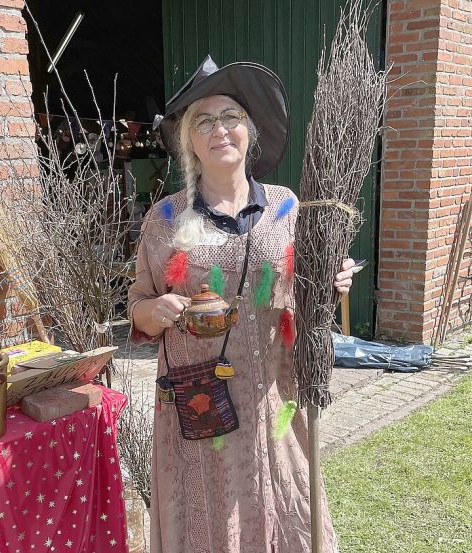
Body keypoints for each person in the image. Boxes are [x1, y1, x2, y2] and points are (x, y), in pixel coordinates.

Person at [128, 56, 354, 552]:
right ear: (189, 141)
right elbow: (138, 308)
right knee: (208, 516)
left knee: (283, 507)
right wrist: (156, 309)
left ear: (249, 130)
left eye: (230, 116)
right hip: (199, 409)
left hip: (274, 397)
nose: (219, 130)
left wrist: (330, 282)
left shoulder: (287, 206)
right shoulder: (164, 218)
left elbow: (307, 287)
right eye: (203, 121)